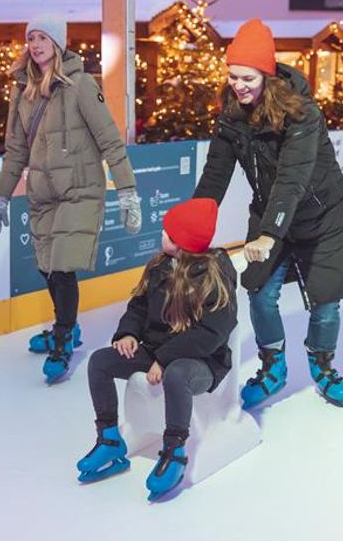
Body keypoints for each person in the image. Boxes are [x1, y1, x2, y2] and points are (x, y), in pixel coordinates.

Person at [193, 19, 343, 409]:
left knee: (325, 301)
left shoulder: (302, 114)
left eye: (248, 77)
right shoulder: (232, 111)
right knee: (260, 292)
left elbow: (292, 178)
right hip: (273, 214)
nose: (239, 85)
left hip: (322, 217)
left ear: (267, 75)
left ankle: (322, 365)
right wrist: (194, 224)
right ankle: (273, 368)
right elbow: (216, 171)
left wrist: (268, 234)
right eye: (233, 76)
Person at [0, 14, 142, 383]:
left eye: (43, 38)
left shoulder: (81, 85)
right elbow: (14, 152)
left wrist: (127, 192)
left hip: (79, 190)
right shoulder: (21, 88)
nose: (36, 45)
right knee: (45, 265)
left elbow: (109, 140)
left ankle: (62, 341)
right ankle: (66, 327)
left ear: (58, 43)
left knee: (61, 266)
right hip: (43, 194)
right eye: (32, 38)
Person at [76, 198, 236, 501]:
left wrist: (163, 359)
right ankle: (109, 439)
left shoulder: (215, 278)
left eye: (168, 232)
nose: (161, 235)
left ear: (181, 243)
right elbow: (138, 307)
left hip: (202, 361)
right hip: (157, 350)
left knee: (176, 374)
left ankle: (174, 450)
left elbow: (211, 334)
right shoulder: (160, 266)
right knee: (100, 362)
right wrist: (128, 333)